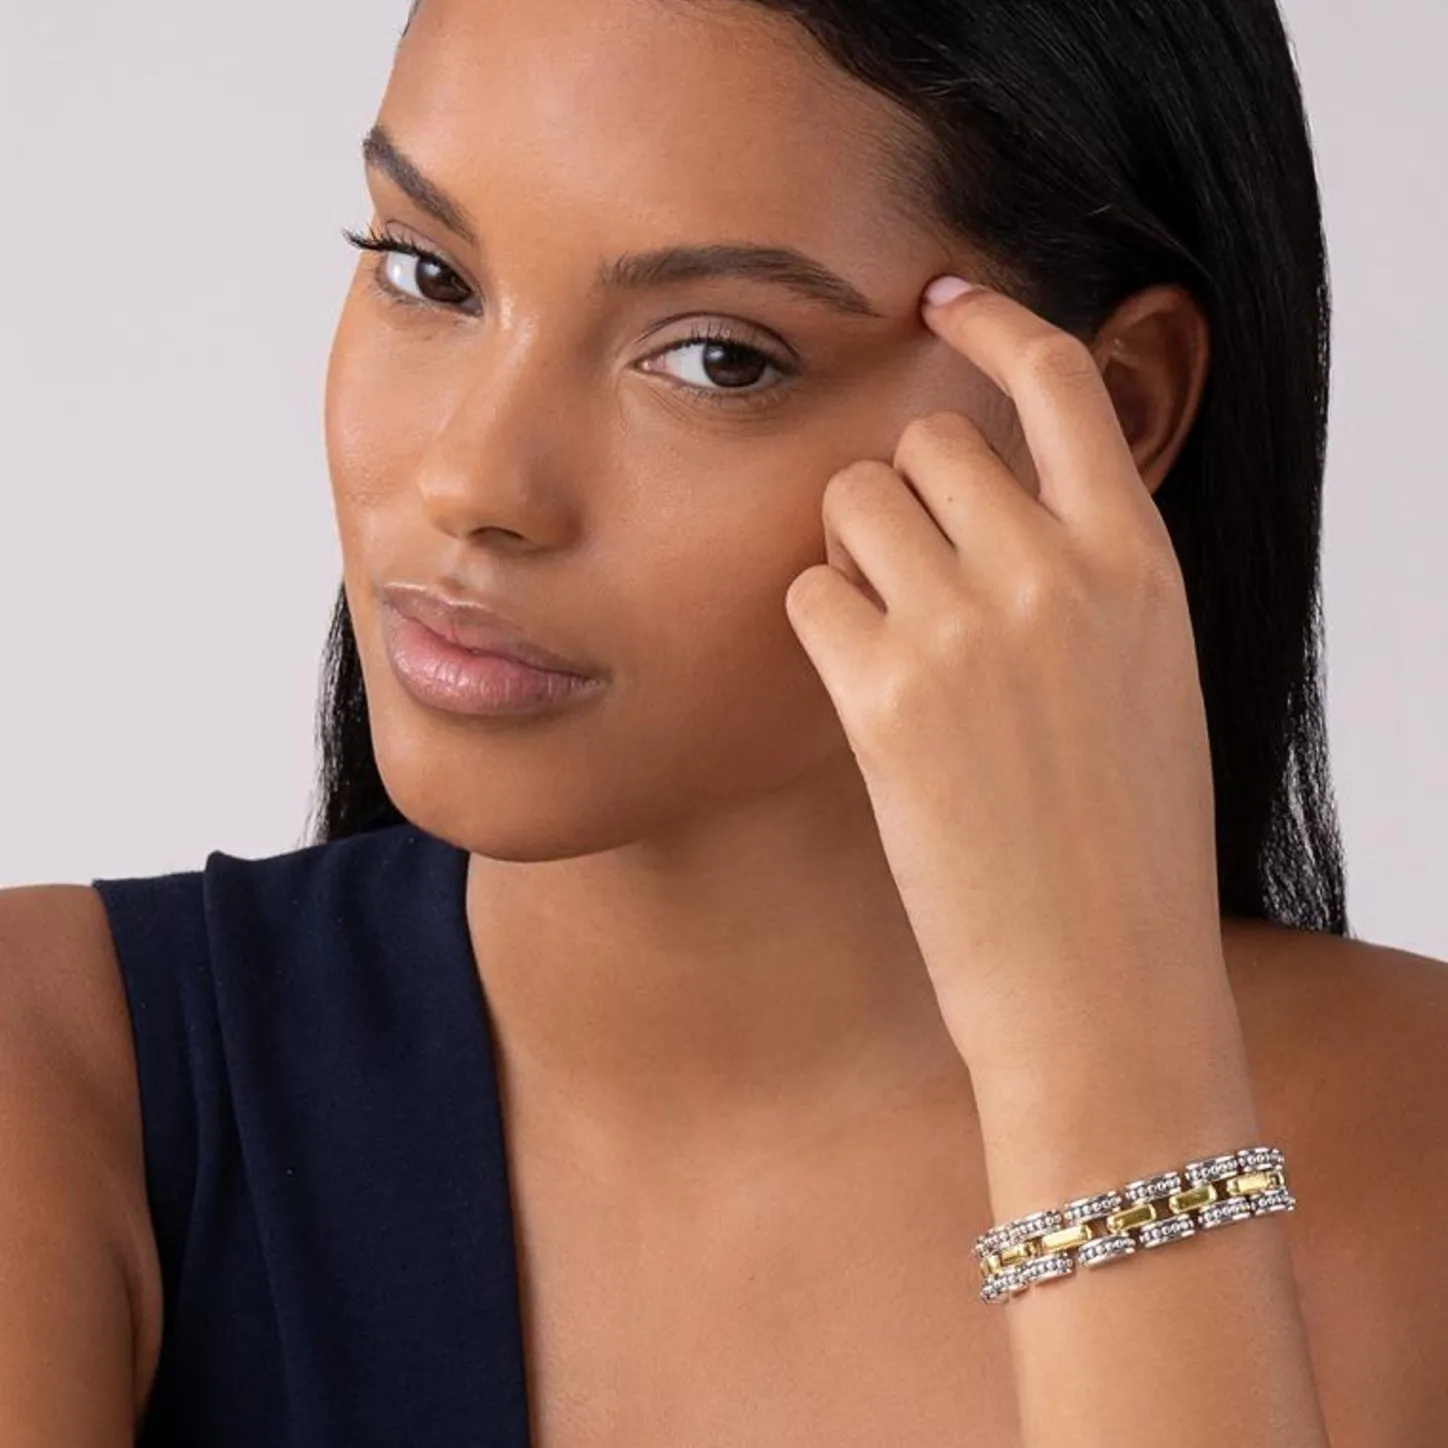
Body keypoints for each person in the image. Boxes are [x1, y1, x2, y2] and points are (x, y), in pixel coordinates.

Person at [3, 0, 1446, 1442]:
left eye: (718, 359)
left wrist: (1106, 1066)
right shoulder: (63, 1077)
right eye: (427, 273)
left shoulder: (1417, 1165)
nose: (473, 480)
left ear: (1111, 409)